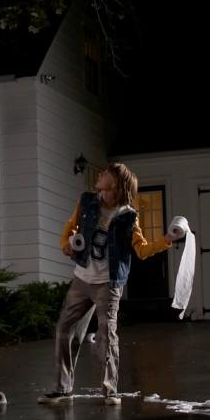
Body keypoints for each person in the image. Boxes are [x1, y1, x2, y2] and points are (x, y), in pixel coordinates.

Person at [41, 162, 176, 406]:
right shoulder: (87, 202)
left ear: (116, 183)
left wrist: (167, 240)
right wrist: (65, 243)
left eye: (106, 173)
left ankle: (109, 390)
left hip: (109, 284)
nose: (100, 174)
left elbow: (142, 251)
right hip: (82, 278)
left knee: (106, 334)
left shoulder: (128, 217)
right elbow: (70, 227)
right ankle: (62, 389)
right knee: (64, 330)